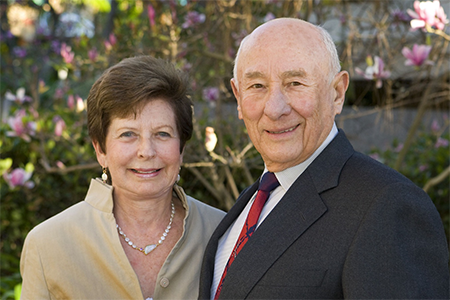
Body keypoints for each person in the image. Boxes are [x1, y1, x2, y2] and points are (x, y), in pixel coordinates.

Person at [199, 18, 450, 299]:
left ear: (337, 93)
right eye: (257, 86)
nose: (275, 108)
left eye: (295, 83)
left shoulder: (387, 205)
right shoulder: (248, 206)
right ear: (237, 97)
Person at [20, 55, 225, 300]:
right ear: (100, 150)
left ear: (181, 149)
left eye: (162, 134)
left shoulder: (223, 235)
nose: (146, 151)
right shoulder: (47, 245)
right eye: (128, 134)